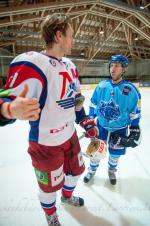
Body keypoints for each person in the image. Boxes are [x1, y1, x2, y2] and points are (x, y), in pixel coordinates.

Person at [1, 14, 98, 226]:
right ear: (58, 35)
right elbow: (6, 100)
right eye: (71, 36)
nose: (74, 40)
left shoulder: (70, 66)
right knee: (49, 186)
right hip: (45, 143)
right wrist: (8, 109)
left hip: (69, 136)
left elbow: (75, 101)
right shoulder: (33, 63)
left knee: (76, 171)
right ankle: (51, 214)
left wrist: (85, 121)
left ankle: (66, 197)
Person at [83, 54, 141, 185]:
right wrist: (91, 121)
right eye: (112, 65)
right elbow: (93, 104)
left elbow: (135, 113)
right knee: (95, 151)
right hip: (101, 128)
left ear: (124, 69)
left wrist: (134, 128)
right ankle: (92, 170)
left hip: (119, 130)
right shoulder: (102, 86)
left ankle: (112, 170)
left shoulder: (131, 91)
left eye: (117, 66)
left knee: (115, 154)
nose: (113, 69)